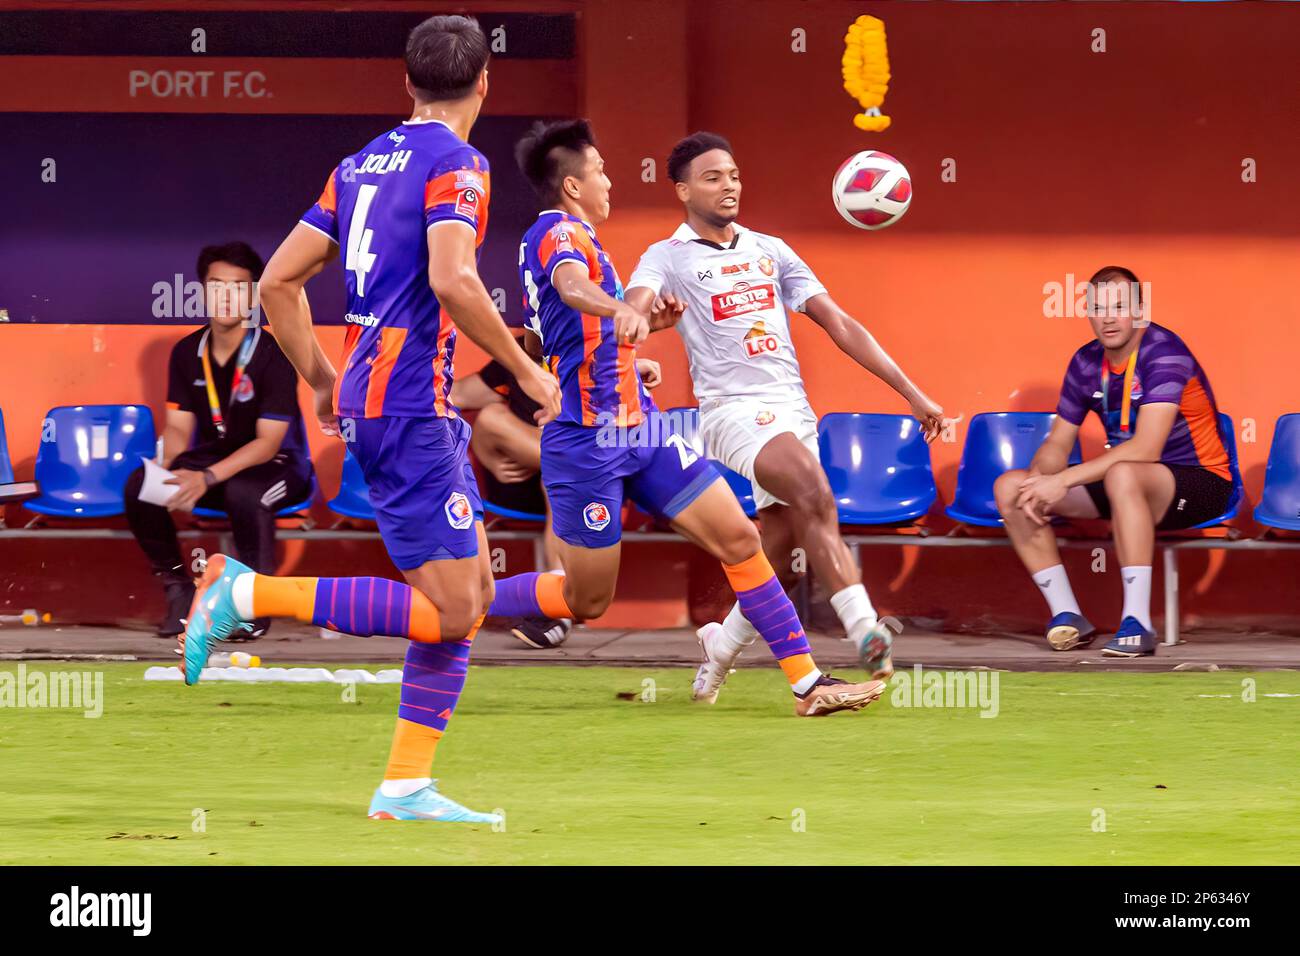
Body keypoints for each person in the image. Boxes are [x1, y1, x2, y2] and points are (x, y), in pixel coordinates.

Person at [178, 14, 560, 823]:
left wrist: (322, 379)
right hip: (409, 405)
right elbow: (455, 280)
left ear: (407, 82)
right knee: (457, 607)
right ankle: (245, 595)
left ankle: (404, 785)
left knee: (472, 591)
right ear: (485, 82)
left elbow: (278, 283)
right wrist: (528, 368)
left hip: (386, 400)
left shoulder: (357, 166)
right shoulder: (459, 164)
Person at [485, 119, 885, 717]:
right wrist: (624, 308)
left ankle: (809, 684)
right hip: (589, 441)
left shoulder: (586, 239)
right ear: (572, 185)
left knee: (741, 537)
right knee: (586, 599)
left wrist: (639, 349)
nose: (609, 181)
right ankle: (467, 594)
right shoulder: (558, 232)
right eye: (599, 171)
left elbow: (574, 337)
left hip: (641, 429)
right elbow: (571, 290)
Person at [624, 131, 947, 701]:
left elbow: (840, 323)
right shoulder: (665, 257)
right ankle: (866, 629)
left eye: (734, 175)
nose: (729, 187)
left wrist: (912, 393)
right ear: (682, 190)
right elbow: (632, 313)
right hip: (731, 413)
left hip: (793, 410)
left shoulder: (769, 249)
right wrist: (648, 328)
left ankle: (718, 653)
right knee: (816, 494)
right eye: (713, 177)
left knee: (777, 555)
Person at [995, 266, 1233, 657]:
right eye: (1098, 307)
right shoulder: (1085, 362)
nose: (1108, 317)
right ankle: (1069, 618)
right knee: (1010, 488)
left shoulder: (1164, 351)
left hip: (1201, 482)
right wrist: (1041, 480)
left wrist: (1065, 480)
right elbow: (1058, 442)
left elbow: (1147, 449)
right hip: (1125, 483)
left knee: (1123, 473)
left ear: (1139, 309)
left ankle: (1136, 624)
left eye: (1119, 306)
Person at [124, 241, 309, 640]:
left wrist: (205, 478)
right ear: (202, 291)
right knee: (140, 488)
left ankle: (252, 606)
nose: (227, 297)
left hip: (279, 467)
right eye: (217, 285)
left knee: (245, 492)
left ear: (254, 294)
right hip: (214, 466)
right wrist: (168, 467)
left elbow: (267, 443)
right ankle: (178, 589)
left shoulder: (275, 355)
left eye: (238, 287)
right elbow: (177, 427)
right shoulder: (187, 351)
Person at [452, 346, 666, 649]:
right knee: (491, 417)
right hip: (523, 482)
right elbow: (454, 394)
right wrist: (484, 449)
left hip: (591, 478)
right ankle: (462, 603)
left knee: (563, 477)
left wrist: (632, 367)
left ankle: (558, 609)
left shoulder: (592, 356)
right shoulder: (514, 356)